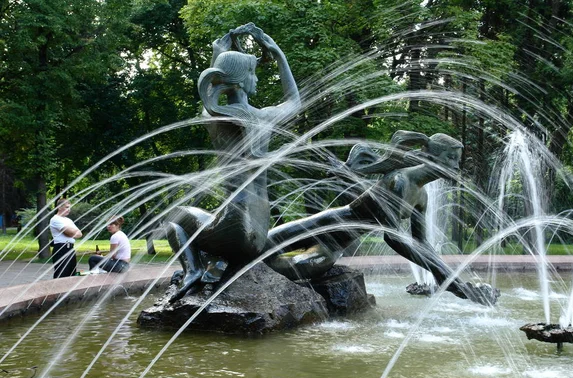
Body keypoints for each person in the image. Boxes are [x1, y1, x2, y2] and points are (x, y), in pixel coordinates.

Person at [264, 131, 499, 305]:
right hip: (320, 226)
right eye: (451, 158)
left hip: (333, 247)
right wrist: (450, 281)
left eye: (457, 159)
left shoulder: (422, 196)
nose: (456, 166)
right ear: (431, 155)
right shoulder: (399, 181)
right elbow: (393, 238)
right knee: (259, 249)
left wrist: (452, 281)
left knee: (282, 270)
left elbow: (422, 243)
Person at [166, 23, 301, 302]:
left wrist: (218, 55)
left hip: (236, 226)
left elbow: (209, 94)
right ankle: (213, 264)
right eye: (254, 73)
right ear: (240, 80)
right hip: (260, 229)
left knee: (176, 218)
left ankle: (192, 270)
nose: (258, 80)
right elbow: (294, 101)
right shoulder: (263, 118)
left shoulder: (213, 118)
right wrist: (279, 56)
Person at [49, 198, 82, 278]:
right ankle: (57, 290)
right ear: (59, 207)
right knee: (61, 274)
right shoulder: (55, 219)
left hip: (70, 248)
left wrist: (71, 233)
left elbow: (80, 234)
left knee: (72, 274)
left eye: (69, 207)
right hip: (61, 248)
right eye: (67, 207)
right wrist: (72, 232)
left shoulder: (68, 220)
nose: (69, 209)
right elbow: (71, 233)